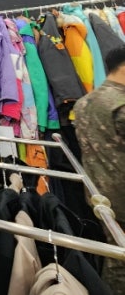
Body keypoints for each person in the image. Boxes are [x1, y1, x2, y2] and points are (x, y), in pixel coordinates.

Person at [72, 44, 125, 292]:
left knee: (115, 257)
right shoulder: (119, 104)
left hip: (100, 197)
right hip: (121, 195)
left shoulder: (83, 103)